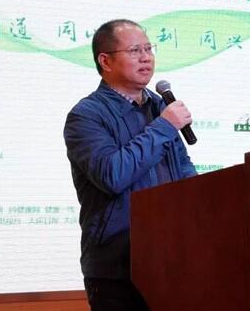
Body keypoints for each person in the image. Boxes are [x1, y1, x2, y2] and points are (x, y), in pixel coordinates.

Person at [63, 19, 198, 311]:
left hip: (172, 259)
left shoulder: (160, 106)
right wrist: (164, 127)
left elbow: (183, 171)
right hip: (117, 267)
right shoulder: (86, 115)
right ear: (105, 61)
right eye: (135, 50)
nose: (146, 57)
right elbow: (112, 174)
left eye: (149, 49)